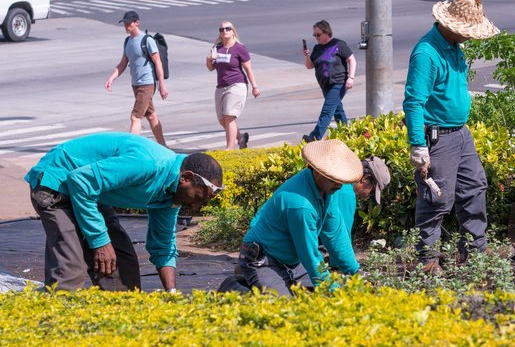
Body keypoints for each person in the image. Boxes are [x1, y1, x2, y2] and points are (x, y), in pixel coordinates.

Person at [25, 132, 224, 292]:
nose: (195, 207)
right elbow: (80, 180)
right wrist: (100, 242)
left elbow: (163, 245)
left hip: (91, 192)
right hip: (56, 182)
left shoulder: (170, 195)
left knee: (122, 267)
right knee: (69, 272)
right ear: (186, 178)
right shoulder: (148, 164)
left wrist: (172, 294)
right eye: (197, 198)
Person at [403, 0, 499, 274]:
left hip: (460, 133)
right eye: (465, 31)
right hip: (439, 136)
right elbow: (413, 102)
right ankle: (427, 259)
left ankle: (475, 248)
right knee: (437, 197)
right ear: (449, 24)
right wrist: (418, 147)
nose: (469, 37)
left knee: (474, 187)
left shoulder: (453, 45)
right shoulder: (427, 53)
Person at [218, 139, 363, 297]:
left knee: (313, 295)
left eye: (341, 180)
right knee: (285, 306)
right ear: (317, 170)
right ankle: (237, 285)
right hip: (264, 259)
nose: (339, 185)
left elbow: (336, 235)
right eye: (333, 179)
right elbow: (309, 254)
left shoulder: (329, 191)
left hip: (292, 261)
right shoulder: (300, 205)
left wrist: (357, 274)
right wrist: (331, 289)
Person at [105, 10, 169, 146]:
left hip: (147, 84)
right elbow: (123, 63)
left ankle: (129, 148)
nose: (126, 26)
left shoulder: (147, 40)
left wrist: (162, 86)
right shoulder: (127, 41)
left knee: (135, 117)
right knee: (151, 116)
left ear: (136, 23)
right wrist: (112, 78)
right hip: (136, 84)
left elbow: (158, 63)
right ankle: (164, 147)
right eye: (125, 24)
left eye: (129, 23)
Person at [205, 21, 261, 150]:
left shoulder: (240, 48)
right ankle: (241, 138)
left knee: (229, 116)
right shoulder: (217, 48)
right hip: (221, 87)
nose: (224, 31)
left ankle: (229, 149)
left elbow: (248, 69)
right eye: (222, 29)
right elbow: (210, 68)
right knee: (222, 120)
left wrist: (255, 87)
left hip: (237, 85)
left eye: (227, 29)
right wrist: (209, 59)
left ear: (233, 31)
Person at [302, 20, 356, 142]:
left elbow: (352, 60)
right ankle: (347, 135)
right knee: (337, 110)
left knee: (327, 111)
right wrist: (306, 56)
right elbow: (310, 66)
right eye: (314, 35)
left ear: (326, 32)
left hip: (338, 83)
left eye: (318, 34)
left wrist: (351, 78)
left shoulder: (338, 44)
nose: (316, 37)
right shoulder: (317, 48)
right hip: (325, 85)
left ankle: (314, 137)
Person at [331, 156, 391, 235]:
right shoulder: (347, 194)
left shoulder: (339, 175)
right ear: (365, 178)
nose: (368, 195)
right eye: (372, 191)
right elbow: (341, 237)